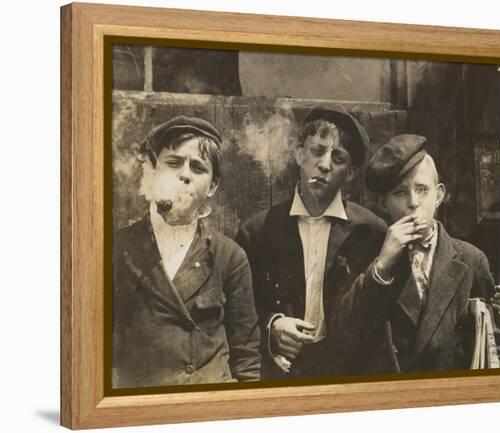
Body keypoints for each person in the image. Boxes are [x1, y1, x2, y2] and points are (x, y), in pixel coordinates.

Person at [236, 105, 387, 379]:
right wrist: (273, 326)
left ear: (350, 173)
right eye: (317, 151)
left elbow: (378, 316)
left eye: (338, 158)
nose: (325, 164)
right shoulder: (257, 232)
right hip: (281, 376)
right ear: (298, 154)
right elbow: (241, 310)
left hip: (349, 375)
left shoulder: (371, 232)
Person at [112, 115, 261, 388]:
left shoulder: (229, 256)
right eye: (173, 163)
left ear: (212, 186)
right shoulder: (116, 249)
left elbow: (247, 356)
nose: (185, 174)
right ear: (153, 170)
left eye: (198, 168)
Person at [340, 134, 499, 374]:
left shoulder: (471, 259)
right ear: (384, 204)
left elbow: (495, 344)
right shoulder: (367, 257)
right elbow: (345, 334)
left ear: (439, 195)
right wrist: (382, 266)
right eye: (400, 193)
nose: (413, 202)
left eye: (422, 189)